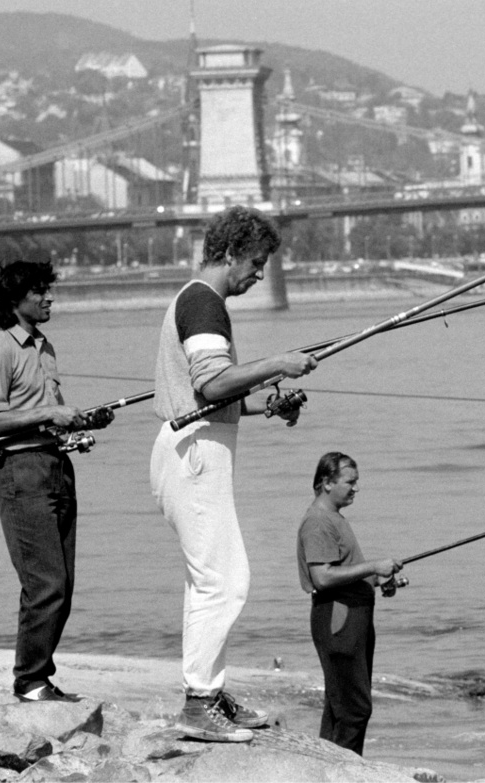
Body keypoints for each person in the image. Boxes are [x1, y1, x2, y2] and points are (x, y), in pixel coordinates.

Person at [151, 205, 318, 742]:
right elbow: (212, 385)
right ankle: (200, 705)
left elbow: (214, 397)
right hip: (196, 453)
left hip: (196, 443)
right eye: (256, 261)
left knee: (209, 579)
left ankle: (210, 693)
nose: (260, 274)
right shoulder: (204, 303)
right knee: (226, 580)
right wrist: (278, 363)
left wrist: (266, 406)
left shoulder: (199, 300)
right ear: (228, 254)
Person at [0, 260, 112, 702]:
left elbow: (50, 413)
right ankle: (29, 682)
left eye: (49, 290)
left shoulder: (44, 347)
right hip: (22, 474)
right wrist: (51, 414)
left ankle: (39, 678)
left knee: (63, 584)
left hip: (56, 467)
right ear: (16, 299)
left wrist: (78, 423)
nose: (49, 297)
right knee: (45, 585)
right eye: (40, 292)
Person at [297, 452, 406, 755]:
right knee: (354, 708)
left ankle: (323, 769)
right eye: (351, 482)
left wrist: (376, 580)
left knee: (340, 706)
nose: (356, 488)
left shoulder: (333, 518)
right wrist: (373, 567)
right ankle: (343, 773)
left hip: (350, 617)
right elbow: (322, 577)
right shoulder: (318, 522)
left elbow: (340, 572)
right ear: (327, 482)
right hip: (338, 619)